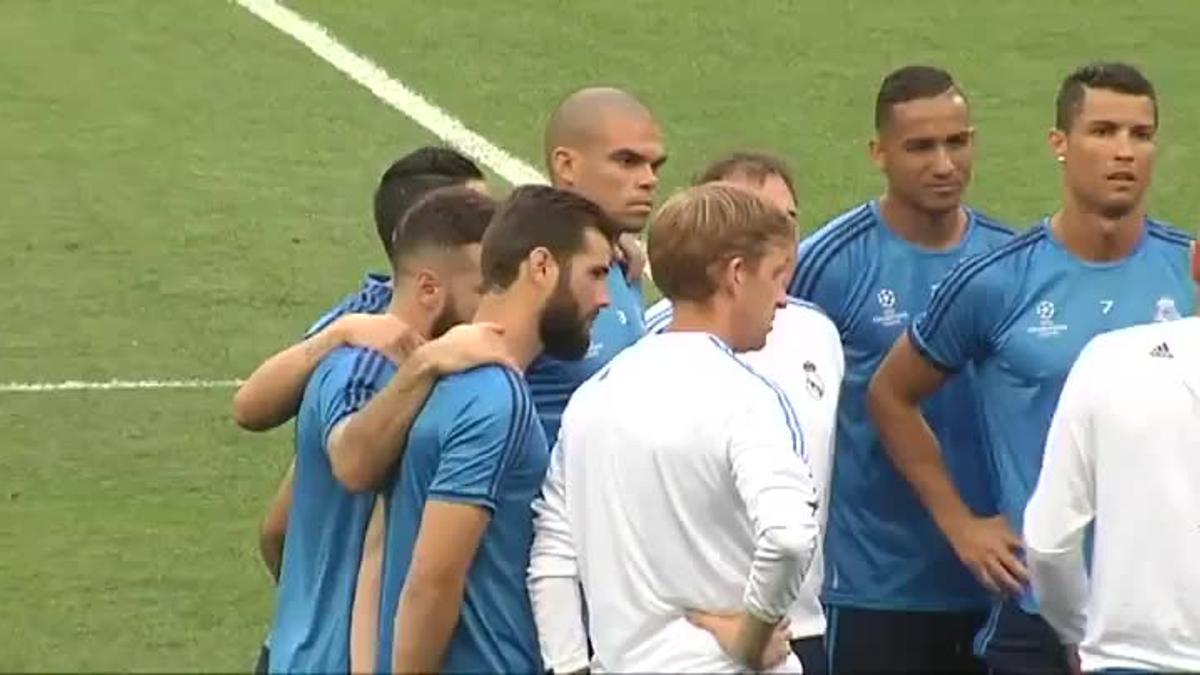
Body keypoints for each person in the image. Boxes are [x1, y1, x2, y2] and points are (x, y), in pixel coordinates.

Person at [868, 61, 1196, 675]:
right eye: (1102, 132)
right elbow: (891, 394)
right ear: (1059, 144)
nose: (1124, 152)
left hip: (1166, 615)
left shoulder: (1189, 270)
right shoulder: (1000, 281)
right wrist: (961, 525)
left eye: (1140, 134)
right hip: (1037, 609)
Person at [529, 184, 819, 673]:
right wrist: (752, 638)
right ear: (736, 276)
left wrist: (572, 666)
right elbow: (790, 536)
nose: (784, 299)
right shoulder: (747, 397)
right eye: (776, 276)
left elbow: (553, 556)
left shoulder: (593, 398)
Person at [788, 65, 1013, 674]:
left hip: (996, 580)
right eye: (920, 147)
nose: (944, 164)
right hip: (873, 584)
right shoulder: (829, 263)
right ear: (879, 153)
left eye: (957, 142)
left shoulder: (1011, 261)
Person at [266, 187, 513, 673]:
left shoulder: (431, 368)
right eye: (486, 290)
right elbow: (350, 463)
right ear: (428, 290)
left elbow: (276, 529)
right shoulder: (366, 367)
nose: (497, 310)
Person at [375, 185, 620, 674]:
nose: (604, 299)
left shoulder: (444, 375)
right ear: (542, 265)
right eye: (595, 274)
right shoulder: (495, 398)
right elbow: (434, 581)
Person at [642, 151, 842, 674]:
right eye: (756, 219)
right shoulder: (658, 339)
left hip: (803, 624)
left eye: (787, 221)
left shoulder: (817, 333)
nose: (777, 239)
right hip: (699, 633)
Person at [1023, 243, 1200, 674]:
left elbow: (1048, 542)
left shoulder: (1109, 360)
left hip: (1131, 660)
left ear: (1195, 261)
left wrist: (1081, 633)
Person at [233, 146, 486, 433]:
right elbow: (249, 408)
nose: (494, 224)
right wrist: (338, 334)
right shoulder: (367, 324)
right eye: (475, 215)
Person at [529, 85, 668, 441]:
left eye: (655, 165)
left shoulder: (621, 263)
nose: (649, 179)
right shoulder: (533, 271)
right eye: (627, 161)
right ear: (567, 165)